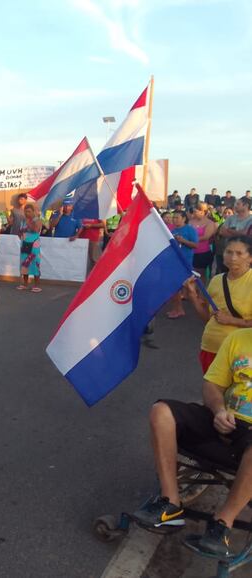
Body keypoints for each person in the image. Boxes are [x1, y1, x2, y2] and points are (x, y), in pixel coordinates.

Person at [131, 327, 252, 558]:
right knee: (162, 412)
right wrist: (218, 410)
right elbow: (212, 385)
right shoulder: (238, 339)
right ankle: (170, 504)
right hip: (226, 420)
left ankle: (222, 525)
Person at [185, 235, 252, 372]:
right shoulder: (216, 280)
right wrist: (193, 296)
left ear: (250, 258)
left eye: (239, 253)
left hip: (242, 352)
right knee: (212, 391)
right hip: (210, 347)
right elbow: (208, 318)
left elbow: (225, 319)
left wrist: (230, 320)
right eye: (229, 252)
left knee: (239, 393)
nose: (233, 258)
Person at [166, 210, 198, 319]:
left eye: (177, 217)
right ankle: (177, 309)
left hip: (185, 262)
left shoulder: (189, 229)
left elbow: (195, 245)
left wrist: (183, 241)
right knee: (174, 288)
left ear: (184, 218)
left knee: (177, 287)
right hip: (175, 261)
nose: (174, 219)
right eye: (173, 217)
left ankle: (180, 309)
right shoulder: (173, 230)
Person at [214, 198, 252, 275]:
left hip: (243, 253)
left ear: (246, 205)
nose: (235, 206)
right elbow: (222, 231)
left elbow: (246, 233)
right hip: (227, 250)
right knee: (225, 274)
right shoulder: (231, 218)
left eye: (238, 204)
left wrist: (230, 230)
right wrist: (238, 233)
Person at [189, 202, 217, 283]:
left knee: (200, 274)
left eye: (195, 211)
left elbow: (206, 237)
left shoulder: (209, 223)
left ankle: (202, 292)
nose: (193, 213)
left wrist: (189, 240)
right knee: (191, 273)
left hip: (202, 252)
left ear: (202, 212)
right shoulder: (191, 221)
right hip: (191, 251)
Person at [18, 203, 42, 292]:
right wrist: (21, 233)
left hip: (34, 246)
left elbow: (36, 230)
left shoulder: (37, 220)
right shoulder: (23, 221)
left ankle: (36, 285)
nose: (27, 213)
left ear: (33, 212)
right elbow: (19, 231)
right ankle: (25, 284)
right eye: (25, 212)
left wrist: (29, 223)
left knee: (35, 264)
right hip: (24, 244)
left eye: (29, 211)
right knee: (24, 263)